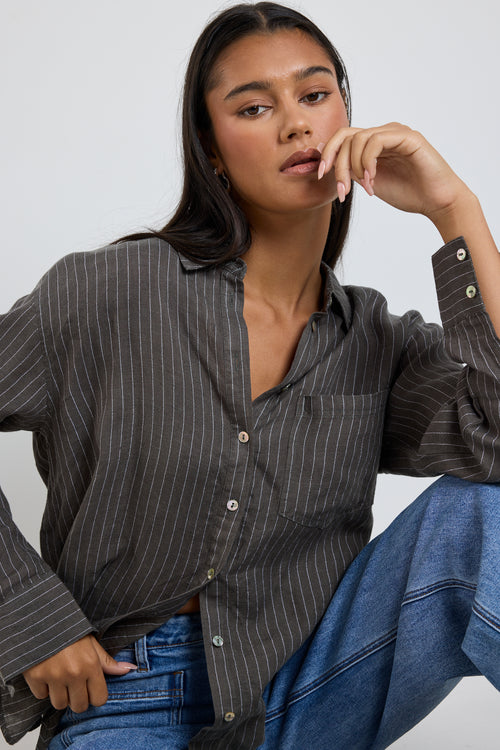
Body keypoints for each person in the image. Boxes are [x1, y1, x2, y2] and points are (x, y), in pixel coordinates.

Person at [0, 2, 499, 749]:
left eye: (315, 94)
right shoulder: (108, 291)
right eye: (255, 106)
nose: (296, 125)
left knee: (482, 517)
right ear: (211, 148)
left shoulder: (373, 339)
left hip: (310, 684)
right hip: (132, 695)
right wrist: (27, 612)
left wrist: (454, 208)